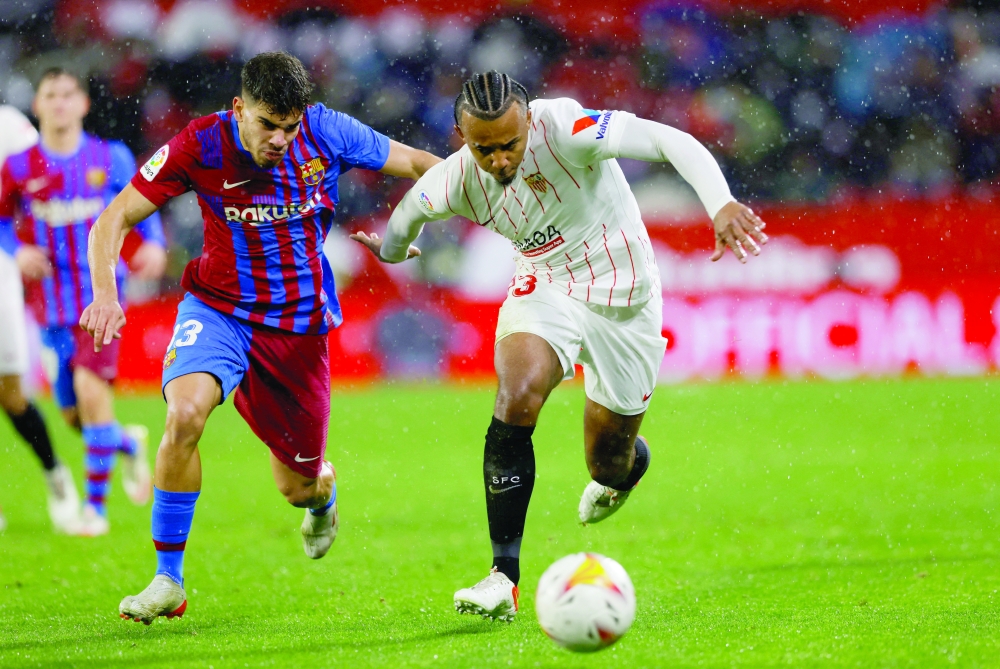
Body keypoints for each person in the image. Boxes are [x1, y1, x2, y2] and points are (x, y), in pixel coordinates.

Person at [352, 71, 769, 621]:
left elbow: (671, 140)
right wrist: (394, 251)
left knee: (607, 463)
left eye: (509, 144)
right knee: (517, 396)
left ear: (528, 120)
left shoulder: (569, 128)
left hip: (628, 299)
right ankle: (503, 576)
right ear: (460, 136)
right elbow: (407, 218)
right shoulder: (453, 181)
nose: (499, 160)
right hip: (546, 285)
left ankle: (624, 474)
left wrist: (719, 203)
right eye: (484, 149)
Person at [80, 51, 441, 624]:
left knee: (297, 487)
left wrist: (457, 208)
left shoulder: (327, 130)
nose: (279, 138)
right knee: (185, 415)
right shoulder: (200, 143)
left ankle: (323, 496)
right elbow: (113, 218)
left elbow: (424, 164)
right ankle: (168, 579)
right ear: (239, 108)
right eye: (268, 124)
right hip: (218, 310)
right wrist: (105, 294)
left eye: (289, 127)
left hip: (297, 330)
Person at [0, 70, 167, 537]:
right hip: (49, 306)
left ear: (83, 105)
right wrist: (18, 251)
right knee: (75, 414)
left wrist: (152, 241)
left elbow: (145, 201)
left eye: (66, 95)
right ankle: (128, 446)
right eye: (49, 94)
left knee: (94, 397)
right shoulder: (17, 166)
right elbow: (0, 221)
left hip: (101, 298)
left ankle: (94, 510)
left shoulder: (108, 156)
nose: (58, 103)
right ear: (36, 104)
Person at [0, 103, 79, 534]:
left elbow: (46, 176)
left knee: (10, 393)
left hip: (1, 269)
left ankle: (55, 473)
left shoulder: (8, 125)